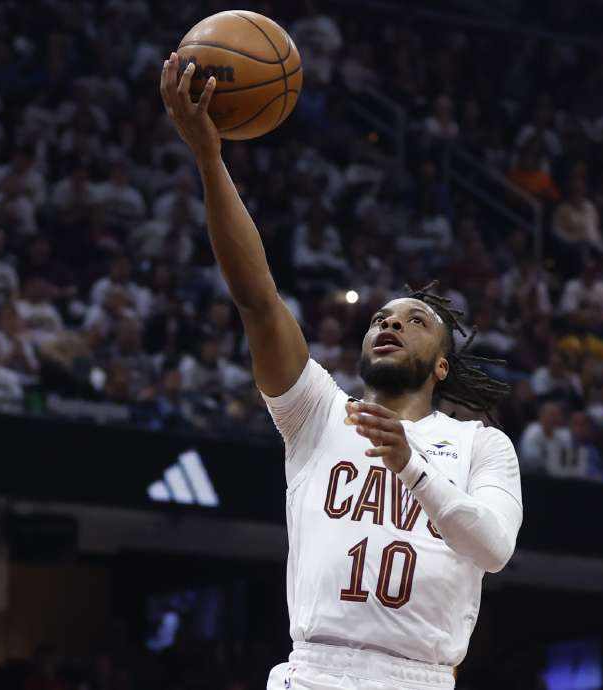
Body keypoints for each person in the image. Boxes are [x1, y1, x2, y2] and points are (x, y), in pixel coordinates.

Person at [161, 53, 522, 690]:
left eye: (413, 321)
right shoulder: (319, 412)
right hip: (316, 672)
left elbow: (493, 548)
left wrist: (408, 462)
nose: (389, 324)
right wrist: (210, 160)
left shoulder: (481, 445)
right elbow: (258, 300)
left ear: (441, 364)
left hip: (420, 678)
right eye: (382, 317)